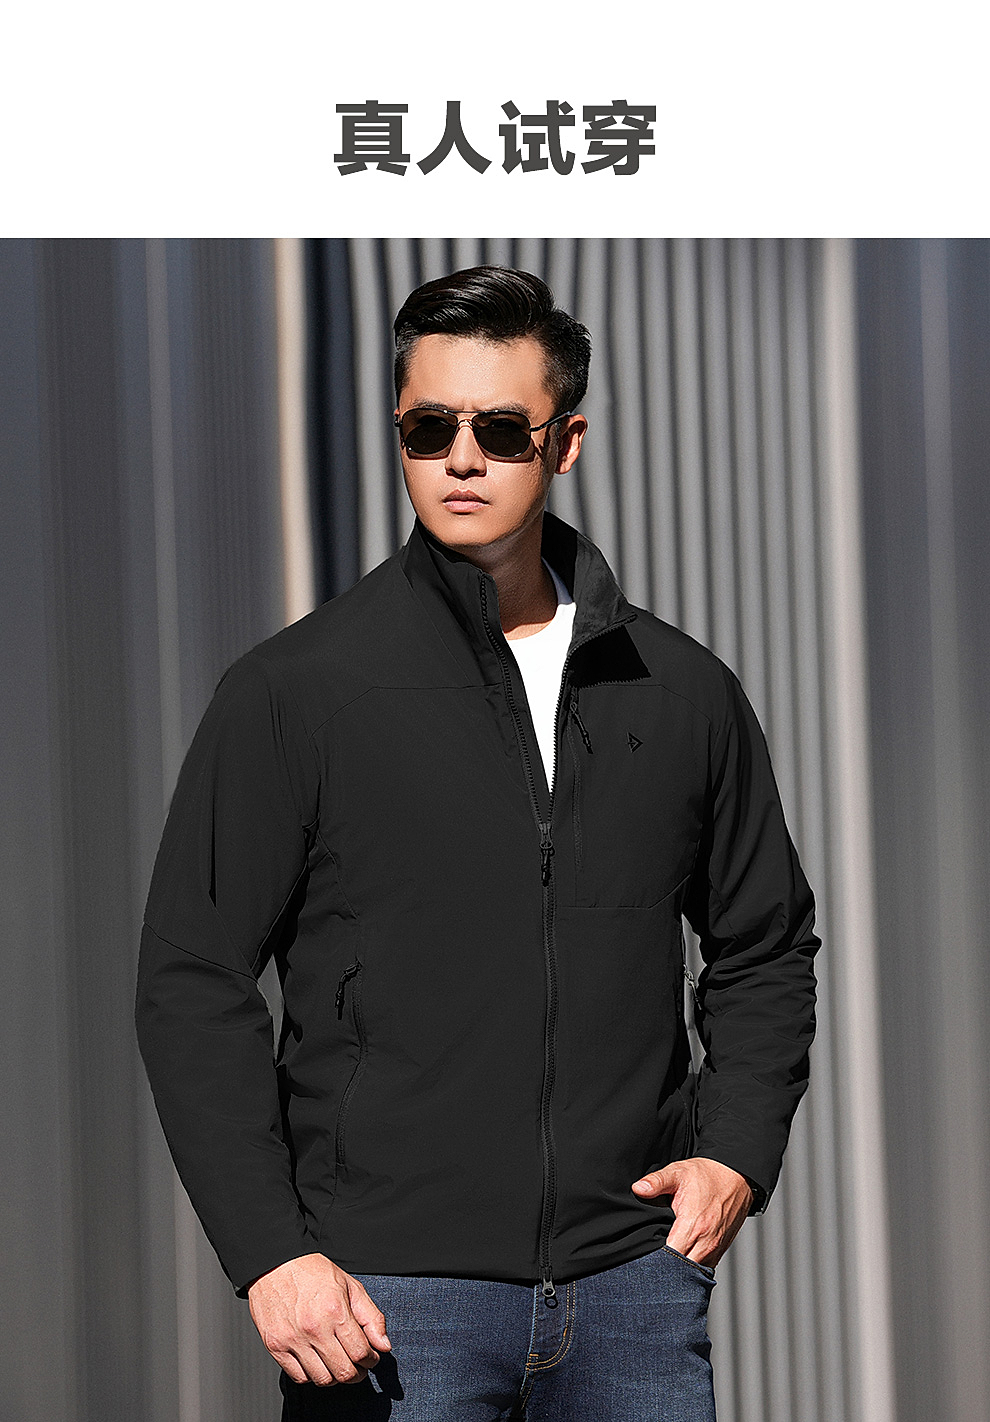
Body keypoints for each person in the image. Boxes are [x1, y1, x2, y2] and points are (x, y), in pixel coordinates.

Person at [136, 265, 818, 1420]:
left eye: (501, 429)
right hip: (386, 1302)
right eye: (428, 428)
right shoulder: (299, 692)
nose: (461, 458)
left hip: (631, 1291)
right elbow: (191, 980)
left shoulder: (680, 691)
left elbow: (765, 944)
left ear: (566, 443)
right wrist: (270, 1253)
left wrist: (736, 1155)